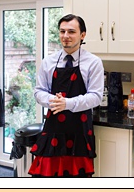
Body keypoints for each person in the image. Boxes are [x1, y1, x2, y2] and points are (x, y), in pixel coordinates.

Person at [29, 14, 104, 177]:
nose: (65, 36)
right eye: (62, 31)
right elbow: (38, 91)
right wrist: (52, 101)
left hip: (80, 131)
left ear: (82, 35)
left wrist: (67, 103)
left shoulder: (93, 62)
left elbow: (96, 96)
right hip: (53, 129)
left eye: (71, 31)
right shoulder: (48, 61)